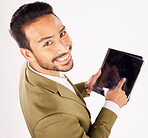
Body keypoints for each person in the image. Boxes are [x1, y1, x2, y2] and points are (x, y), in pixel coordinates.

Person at [10, 1, 127, 138]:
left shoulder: (31, 67)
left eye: (62, 33)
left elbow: (53, 93)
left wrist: (85, 88)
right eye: (48, 43)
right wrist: (112, 106)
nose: (64, 48)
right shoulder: (50, 121)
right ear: (27, 54)